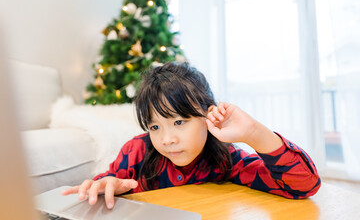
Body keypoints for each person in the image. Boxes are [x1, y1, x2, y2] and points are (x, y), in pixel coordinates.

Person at [62, 62, 321, 209]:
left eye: (178, 121)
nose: (167, 139)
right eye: (154, 127)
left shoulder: (225, 157)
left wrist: (254, 132)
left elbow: (304, 184)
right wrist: (108, 184)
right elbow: (107, 183)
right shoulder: (137, 151)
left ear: (208, 116)